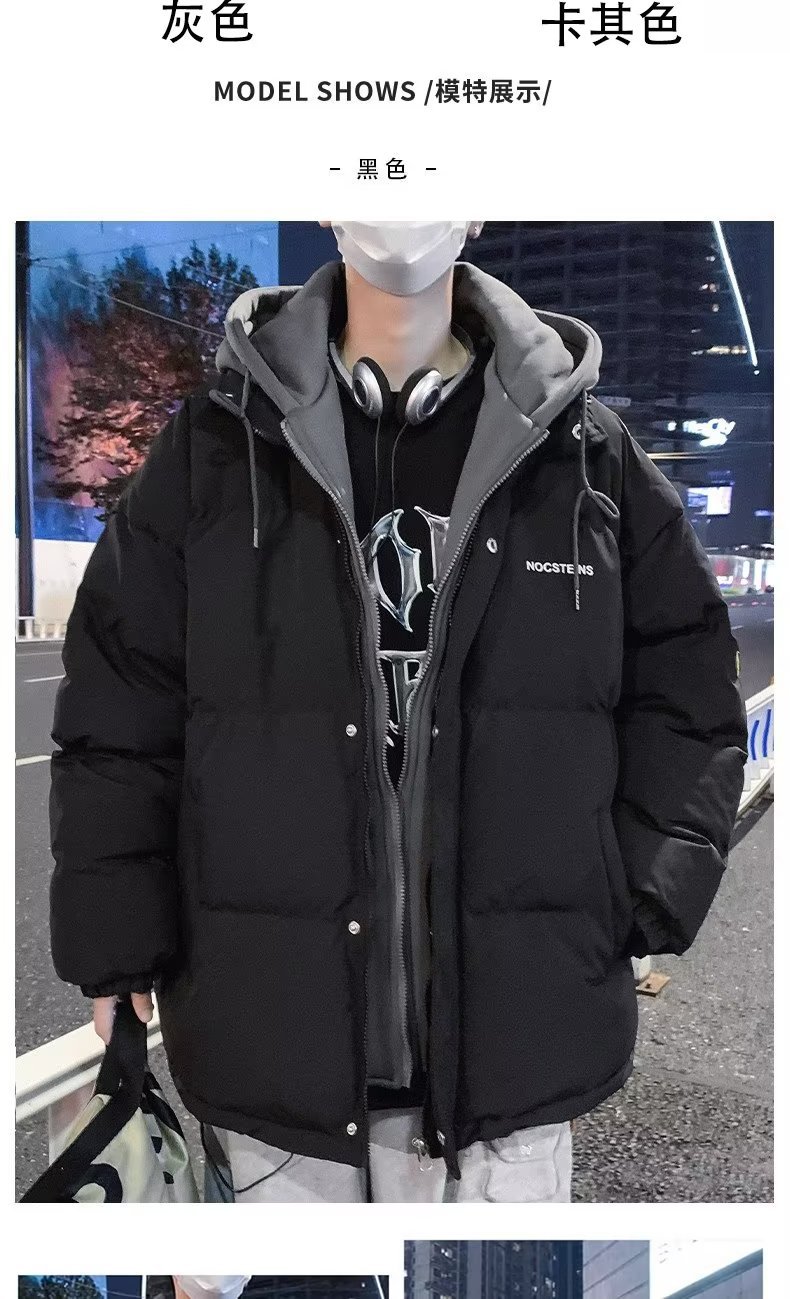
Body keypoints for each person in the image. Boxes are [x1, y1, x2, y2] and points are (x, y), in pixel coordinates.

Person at [49, 221, 748, 1202]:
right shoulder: (213, 451)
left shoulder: (586, 459)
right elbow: (120, 706)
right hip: (271, 1050)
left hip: (516, 1058)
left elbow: (691, 687)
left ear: (477, 210)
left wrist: (637, 895)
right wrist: (114, 943)